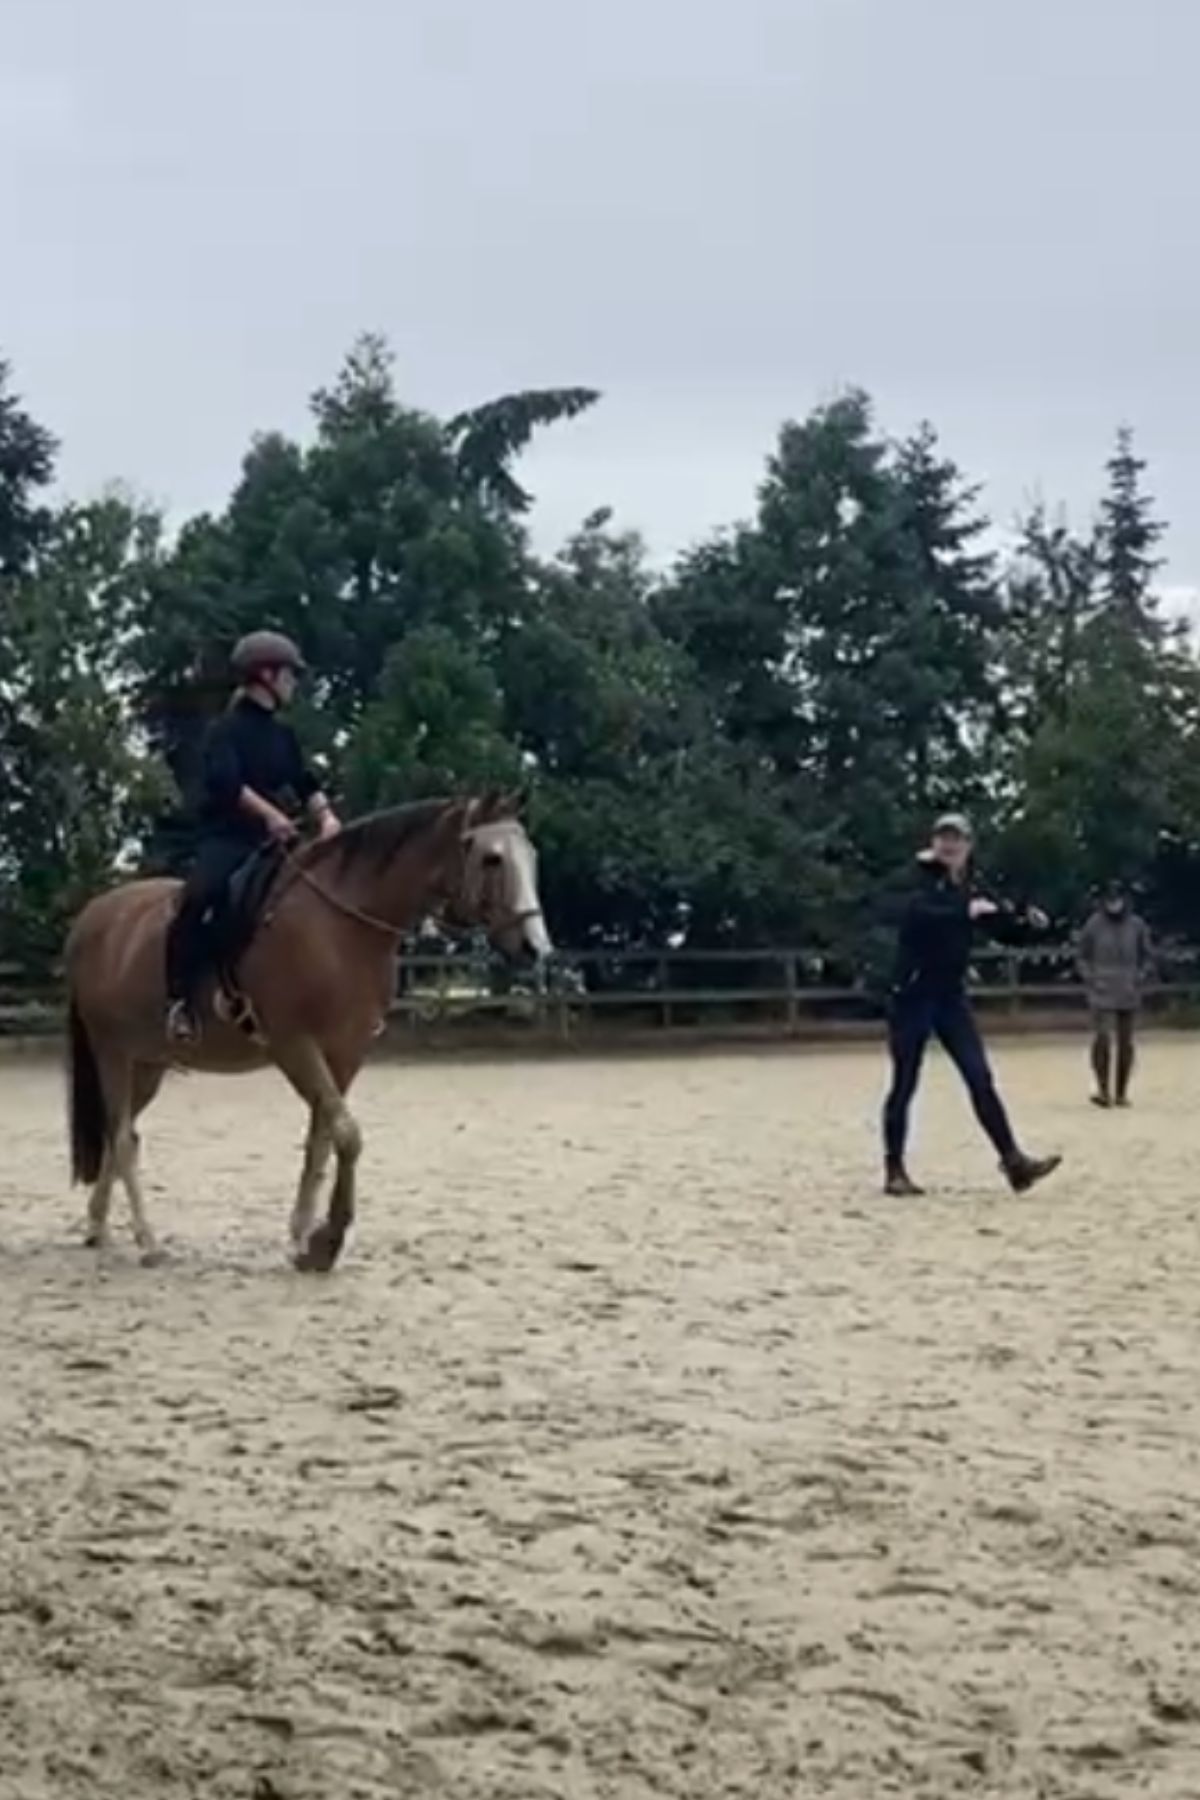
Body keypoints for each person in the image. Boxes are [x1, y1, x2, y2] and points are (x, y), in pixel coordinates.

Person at [164, 631, 341, 1043]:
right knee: (199, 898)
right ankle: (179, 1002)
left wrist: (328, 817)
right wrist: (270, 815)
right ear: (265, 675)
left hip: (276, 840)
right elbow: (227, 783)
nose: (294, 683)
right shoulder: (225, 730)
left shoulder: (283, 735)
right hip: (228, 838)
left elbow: (304, 780)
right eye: (289, 675)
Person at [882, 812, 1062, 1197]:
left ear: (968, 846)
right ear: (933, 842)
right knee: (905, 1081)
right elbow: (916, 913)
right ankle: (894, 1169)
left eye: (957, 839)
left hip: (949, 996)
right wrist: (964, 911)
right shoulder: (915, 879)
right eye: (944, 838)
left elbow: (999, 927)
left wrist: (1027, 924)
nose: (950, 845)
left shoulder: (972, 886)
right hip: (912, 994)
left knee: (979, 1077)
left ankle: (1013, 1161)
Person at [1076, 881, 1153, 1109]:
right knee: (1102, 1038)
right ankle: (1103, 1090)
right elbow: (1082, 956)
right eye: (1110, 900)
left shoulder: (1137, 926)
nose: (1114, 904)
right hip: (1102, 990)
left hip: (1129, 989)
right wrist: (1090, 978)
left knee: (1126, 1043)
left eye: (1118, 899)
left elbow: (1147, 956)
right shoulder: (1093, 925)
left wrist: (1140, 976)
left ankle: (1121, 1091)